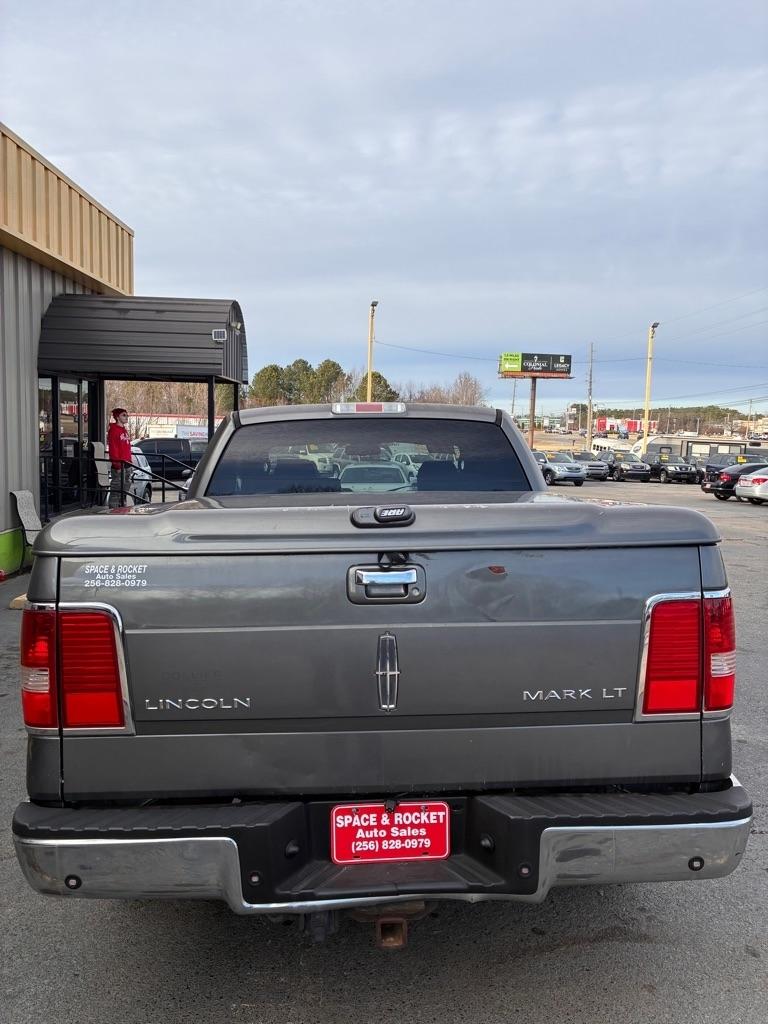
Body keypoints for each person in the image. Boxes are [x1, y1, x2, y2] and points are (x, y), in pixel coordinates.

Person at [107, 408, 133, 507]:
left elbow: (127, 447)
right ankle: (113, 512)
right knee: (117, 490)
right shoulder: (113, 431)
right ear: (117, 417)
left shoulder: (124, 430)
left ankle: (122, 508)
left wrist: (130, 461)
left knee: (125, 491)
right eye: (124, 415)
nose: (127, 417)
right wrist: (117, 465)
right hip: (119, 465)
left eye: (127, 415)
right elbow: (113, 449)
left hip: (127, 464)